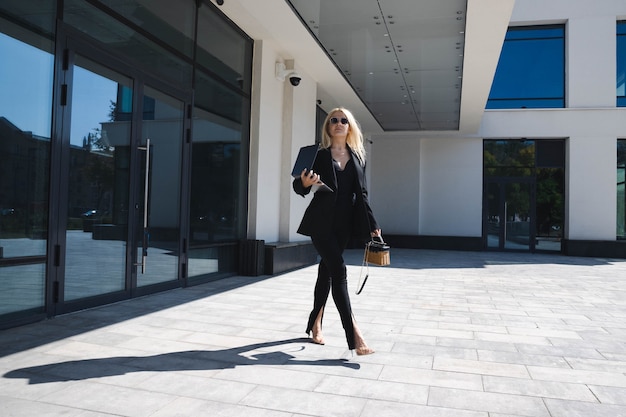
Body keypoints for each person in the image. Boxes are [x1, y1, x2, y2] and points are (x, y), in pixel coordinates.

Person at [293, 107, 381, 356]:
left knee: (326, 273)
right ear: (328, 127)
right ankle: (355, 335)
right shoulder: (318, 155)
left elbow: (361, 195)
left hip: (344, 225)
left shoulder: (357, 158)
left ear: (350, 126)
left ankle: (315, 324)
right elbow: (297, 184)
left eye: (344, 120)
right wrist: (304, 183)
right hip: (320, 222)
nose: (339, 123)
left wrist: (372, 224)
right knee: (339, 270)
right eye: (334, 120)